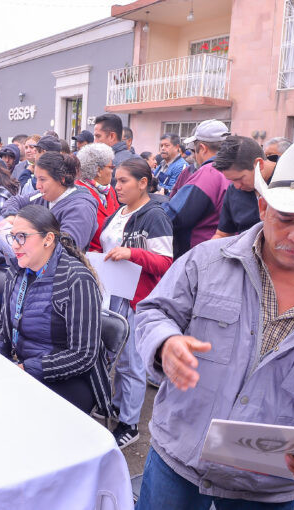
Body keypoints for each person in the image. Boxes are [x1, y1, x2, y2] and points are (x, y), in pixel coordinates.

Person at [133, 140, 294, 509]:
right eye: (285, 218)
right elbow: (153, 312)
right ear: (263, 206)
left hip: (265, 489)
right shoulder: (205, 262)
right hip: (176, 462)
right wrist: (165, 343)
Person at [0, 205, 112, 415]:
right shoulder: (18, 271)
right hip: (23, 366)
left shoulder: (76, 280)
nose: (15, 245)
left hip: (69, 378)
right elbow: (4, 325)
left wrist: (28, 369)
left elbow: (83, 355)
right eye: (12, 237)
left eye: (22, 237)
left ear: (47, 239)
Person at [98, 158, 173, 448]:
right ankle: (118, 406)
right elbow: (104, 243)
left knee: (132, 362)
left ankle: (130, 424)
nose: (117, 186)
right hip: (114, 292)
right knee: (117, 357)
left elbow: (166, 262)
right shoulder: (120, 211)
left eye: (123, 181)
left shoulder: (154, 215)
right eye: (116, 180)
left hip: (136, 298)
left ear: (143, 183)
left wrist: (132, 254)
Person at [3, 152, 98, 250]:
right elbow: (15, 200)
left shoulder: (81, 208)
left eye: (43, 179)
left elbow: (68, 247)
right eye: (36, 179)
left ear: (62, 179)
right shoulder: (41, 195)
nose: (37, 186)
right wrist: (11, 215)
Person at [163, 119, 230, 258]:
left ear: (203, 148)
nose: (194, 155)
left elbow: (177, 214)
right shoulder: (234, 169)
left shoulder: (209, 172)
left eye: (194, 150)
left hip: (199, 252)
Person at [212, 135, 270, 239]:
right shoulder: (233, 191)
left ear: (259, 164)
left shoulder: (286, 184)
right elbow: (223, 234)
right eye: (232, 180)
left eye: (239, 179)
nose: (237, 186)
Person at [75, 142, 119, 252]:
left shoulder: (109, 190)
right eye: (111, 167)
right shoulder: (79, 193)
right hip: (91, 260)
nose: (112, 171)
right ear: (99, 171)